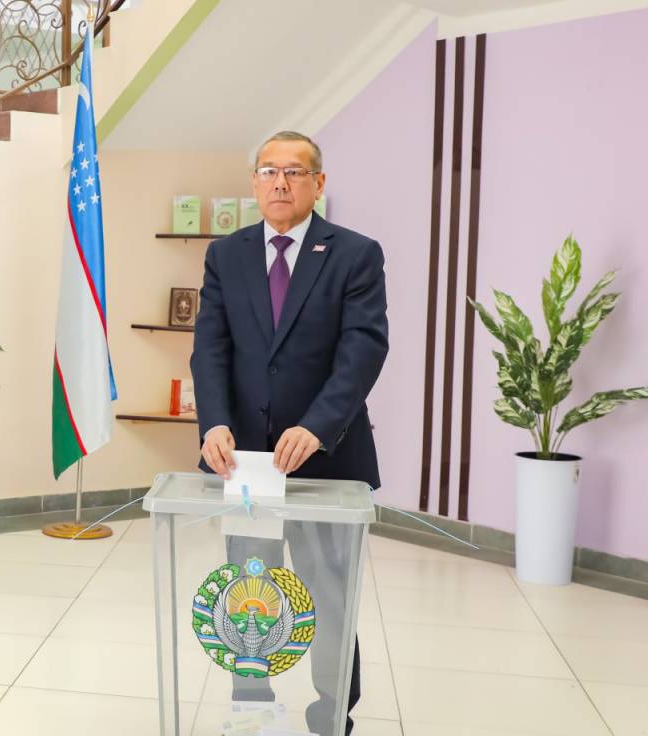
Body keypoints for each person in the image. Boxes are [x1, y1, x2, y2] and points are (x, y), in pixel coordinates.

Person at [191, 131, 389, 736]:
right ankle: (251, 709)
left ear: (318, 183)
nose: (280, 182)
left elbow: (363, 350)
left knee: (329, 596)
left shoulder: (354, 254)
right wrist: (213, 422)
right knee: (247, 595)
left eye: (295, 172)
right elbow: (210, 348)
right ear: (254, 182)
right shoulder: (226, 255)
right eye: (269, 171)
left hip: (326, 460)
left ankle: (331, 714)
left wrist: (317, 426)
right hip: (245, 466)